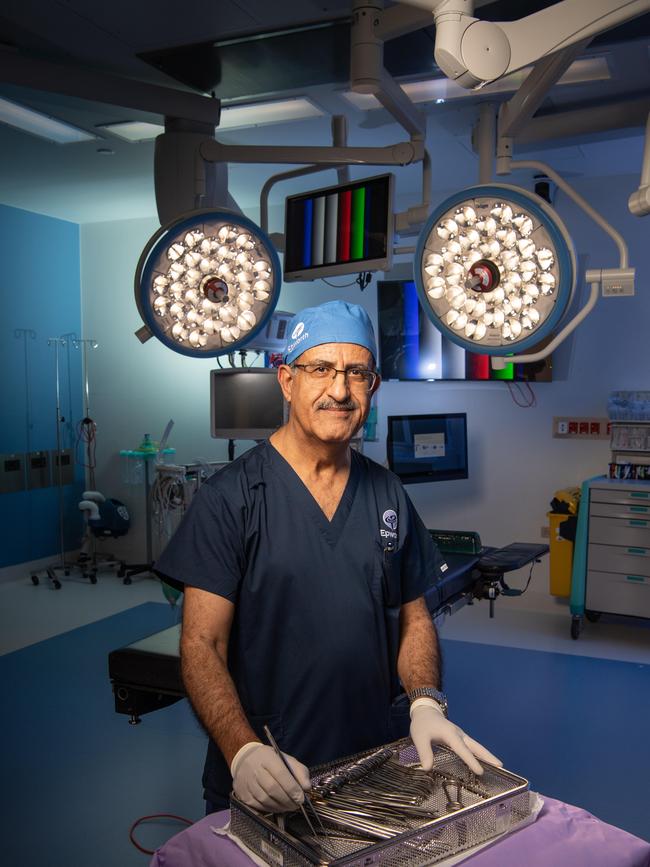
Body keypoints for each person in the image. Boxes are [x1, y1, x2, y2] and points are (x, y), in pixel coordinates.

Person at [155, 300, 501, 814]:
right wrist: (242, 750)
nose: (339, 391)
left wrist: (426, 701)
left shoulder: (386, 493)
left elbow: (413, 618)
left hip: (376, 764)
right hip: (272, 770)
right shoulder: (231, 498)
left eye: (356, 373)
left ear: (373, 387)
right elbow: (202, 644)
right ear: (287, 380)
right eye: (320, 369)